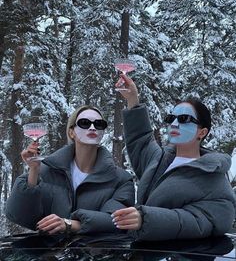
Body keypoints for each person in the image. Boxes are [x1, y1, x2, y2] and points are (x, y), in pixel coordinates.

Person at [111, 74, 236, 241]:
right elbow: (140, 139)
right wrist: (133, 99)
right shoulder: (159, 159)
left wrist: (146, 218)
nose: (174, 124)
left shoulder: (213, 177)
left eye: (184, 119)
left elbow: (203, 220)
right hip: (142, 251)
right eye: (171, 118)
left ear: (202, 132)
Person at [6, 105, 135, 236]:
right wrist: (34, 171)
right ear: (71, 132)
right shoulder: (47, 171)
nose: (92, 127)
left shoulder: (121, 180)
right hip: (50, 254)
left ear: (102, 132)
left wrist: (70, 224)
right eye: (84, 123)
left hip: (96, 254)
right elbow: (20, 216)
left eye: (98, 124)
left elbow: (118, 222)